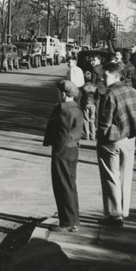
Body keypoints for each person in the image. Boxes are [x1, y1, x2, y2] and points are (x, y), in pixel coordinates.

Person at [96, 61, 136, 227]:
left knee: (111, 177)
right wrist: (135, 131)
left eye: (105, 75)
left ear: (116, 76)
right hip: (130, 139)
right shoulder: (135, 92)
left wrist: (102, 136)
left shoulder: (109, 94)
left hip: (111, 140)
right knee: (126, 176)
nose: (102, 78)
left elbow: (105, 121)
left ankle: (115, 215)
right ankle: (124, 211)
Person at [43, 79, 84, 232]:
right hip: (73, 149)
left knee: (62, 186)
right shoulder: (77, 108)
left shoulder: (63, 109)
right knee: (70, 185)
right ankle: (73, 220)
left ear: (63, 93)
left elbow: (60, 132)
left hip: (62, 150)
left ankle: (67, 222)